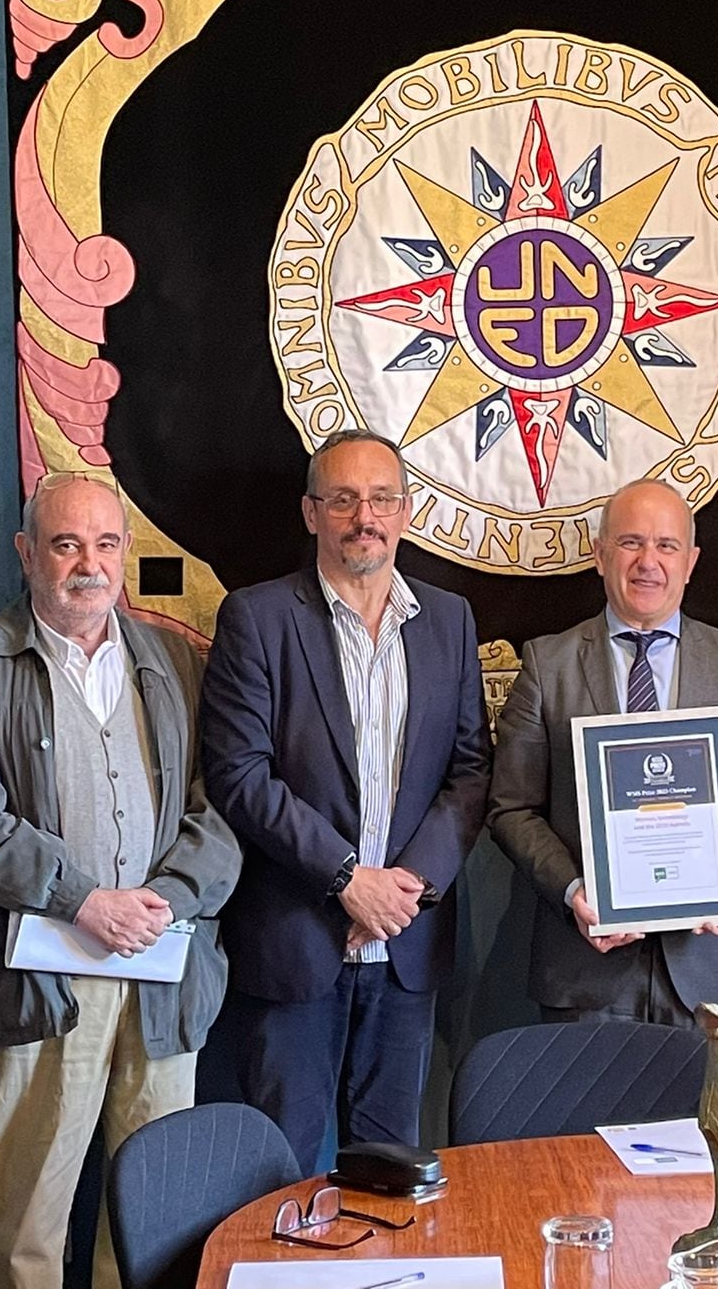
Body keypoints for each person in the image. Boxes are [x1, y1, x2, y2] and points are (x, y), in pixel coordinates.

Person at [0, 471, 241, 1289]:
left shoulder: (175, 660)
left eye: (104, 545)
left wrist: (166, 900)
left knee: (155, 1214)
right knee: (23, 1222)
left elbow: (223, 805)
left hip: (163, 974)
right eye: (66, 545)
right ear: (28, 554)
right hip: (41, 984)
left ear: (126, 553)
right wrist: (85, 901)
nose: (87, 565)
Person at [201, 430, 490, 1170]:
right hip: (296, 940)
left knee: (391, 1177)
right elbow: (239, 774)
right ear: (310, 512)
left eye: (382, 498)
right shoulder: (258, 618)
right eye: (344, 499)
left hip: (407, 947)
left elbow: (469, 772)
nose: (366, 515)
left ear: (407, 509)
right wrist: (346, 881)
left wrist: (405, 890)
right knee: (281, 1180)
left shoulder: (450, 621)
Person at [488, 479, 718, 1022]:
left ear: (691, 561)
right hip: (586, 969)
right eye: (630, 543)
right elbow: (512, 807)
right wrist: (573, 890)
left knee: (709, 1113)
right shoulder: (548, 665)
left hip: (709, 969)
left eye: (666, 545)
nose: (647, 561)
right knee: (588, 1111)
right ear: (600, 554)